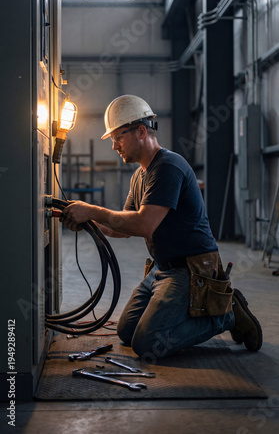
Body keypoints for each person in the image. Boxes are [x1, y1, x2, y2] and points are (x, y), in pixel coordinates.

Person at [61, 94, 262, 358]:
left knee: (148, 343)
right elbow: (123, 226)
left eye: (118, 138)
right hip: (162, 268)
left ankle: (226, 316)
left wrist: (92, 210)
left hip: (191, 270)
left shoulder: (168, 167)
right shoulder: (140, 175)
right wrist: (91, 222)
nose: (114, 146)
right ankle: (201, 315)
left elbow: (144, 224)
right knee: (127, 332)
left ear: (141, 131)